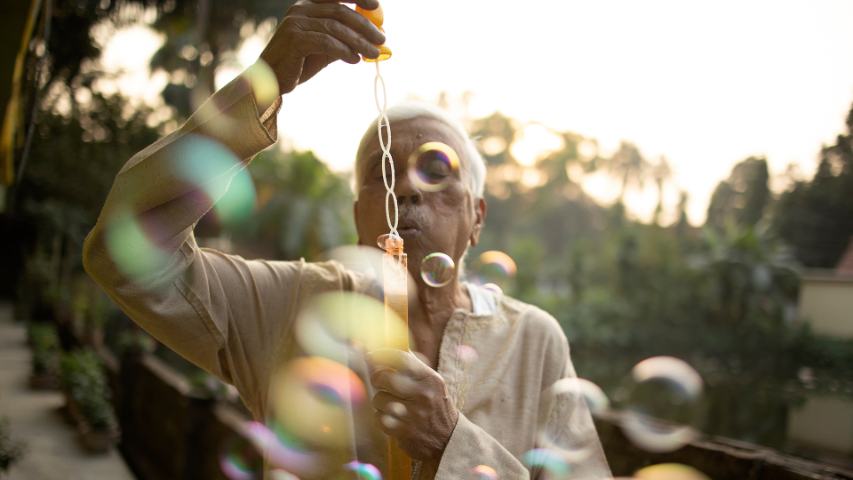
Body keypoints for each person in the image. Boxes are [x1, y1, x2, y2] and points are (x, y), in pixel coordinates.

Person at [83, 0, 611, 478]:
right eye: (382, 174)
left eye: (434, 170)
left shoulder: (535, 341)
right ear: (360, 215)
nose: (405, 187)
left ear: (477, 217)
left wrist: (451, 441)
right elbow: (124, 249)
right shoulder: (295, 305)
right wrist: (266, 83)